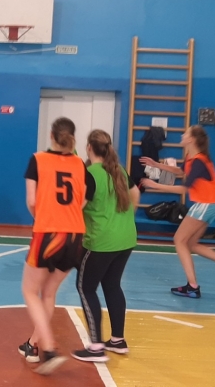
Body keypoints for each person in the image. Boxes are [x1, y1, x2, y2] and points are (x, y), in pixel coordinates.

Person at [19, 117, 95, 376]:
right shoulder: (79, 163)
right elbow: (83, 199)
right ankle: (33, 345)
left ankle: (49, 349)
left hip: (49, 233)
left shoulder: (38, 160)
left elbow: (32, 201)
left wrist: (42, 218)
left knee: (30, 291)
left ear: (51, 135)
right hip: (75, 235)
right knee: (49, 293)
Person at [140, 125, 215, 298]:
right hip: (210, 204)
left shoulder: (199, 161)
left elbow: (184, 189)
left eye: (186, 133)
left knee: (179, 240)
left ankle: (192, 286)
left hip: (206, 204)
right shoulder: (192, 158)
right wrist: (156, 164)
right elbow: (180, 171)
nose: (183, 135)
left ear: (191, 139)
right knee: (190, 243)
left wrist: (156, 185)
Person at [72, 130, 139, 362]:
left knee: (85, 287)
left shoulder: (90, 174)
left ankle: (96, 346)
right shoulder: (118, 170)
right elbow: (136, 194)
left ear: (89, 148)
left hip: (101, 241)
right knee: (112, 285)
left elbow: (78, 206)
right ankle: (118, 340)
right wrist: (125, 219)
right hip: (126, 238)